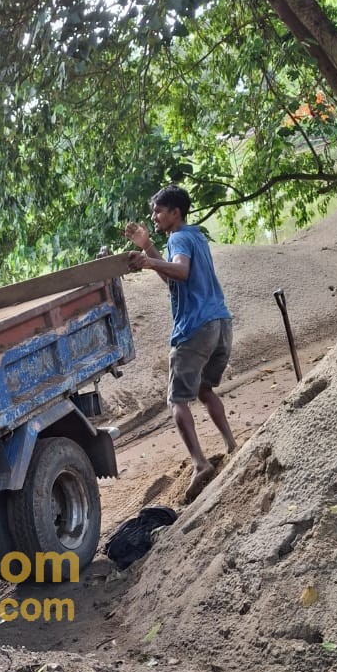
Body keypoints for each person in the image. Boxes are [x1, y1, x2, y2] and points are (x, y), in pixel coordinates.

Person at [124, 185, 237, 502]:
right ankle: (231, 444)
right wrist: (147, 247)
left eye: (159, 211)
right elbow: (174, 277)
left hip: (195, 328)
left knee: (177, 402)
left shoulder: (178, 238)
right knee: (204, 390)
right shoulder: (196, 236)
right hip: (221, 323)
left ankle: (200, 463)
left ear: (176, 212)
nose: (154, 216)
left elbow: (182, 272)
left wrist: (147, 261)